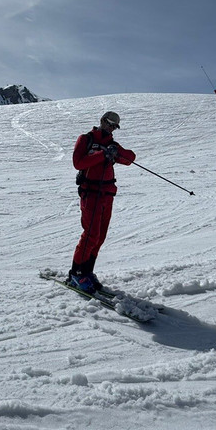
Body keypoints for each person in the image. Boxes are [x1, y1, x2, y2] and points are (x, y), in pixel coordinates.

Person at [67, 111, 136, 293]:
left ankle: (87, 272)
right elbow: (78, 163)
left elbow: (130, 158)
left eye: (115, 126)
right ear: (102, 121)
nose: (112, 128)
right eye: (110, 124)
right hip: (91, 193)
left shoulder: (112, 144)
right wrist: (102, 154)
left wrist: (115, 152)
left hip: (107, 194)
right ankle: (76, 273)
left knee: (100, 236)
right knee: (90, 233)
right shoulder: (86, 139)